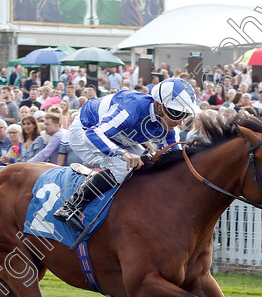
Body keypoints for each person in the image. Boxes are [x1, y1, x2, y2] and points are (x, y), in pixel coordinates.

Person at [54, 77, 200, 231]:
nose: (180, 122)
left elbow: (174, 163)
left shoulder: (169, 127)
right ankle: (71, 206)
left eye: (185, 115)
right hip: (85, 131)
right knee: (123, 165)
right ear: (159, 106)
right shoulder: (130, 109)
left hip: (118, 136)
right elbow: (93, 134)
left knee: (147, 162)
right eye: (176, 113)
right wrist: (121, 153)